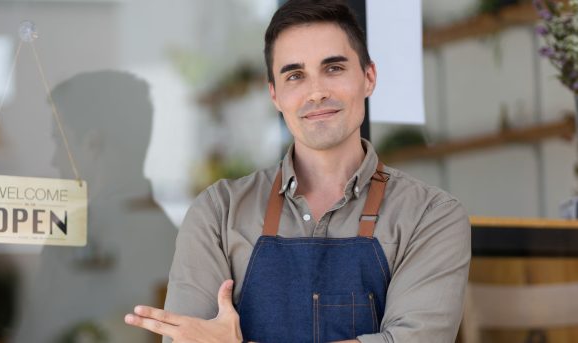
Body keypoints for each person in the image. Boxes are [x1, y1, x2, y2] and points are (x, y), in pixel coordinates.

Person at [125, 0, 471, 342]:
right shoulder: (218, 213)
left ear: (369, 77)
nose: (317, 92)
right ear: (275, 95)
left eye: (333, 68)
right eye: (295, 75)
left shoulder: (431, 216)